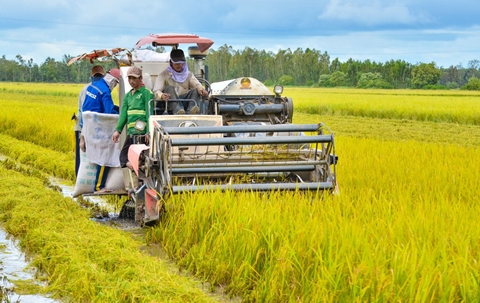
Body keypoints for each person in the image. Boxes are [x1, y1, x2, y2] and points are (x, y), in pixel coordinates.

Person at [80, 67, 121, 193]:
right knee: (105, 155)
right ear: (113, 81)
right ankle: (99, 187)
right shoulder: (105, 92)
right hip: (99, 128)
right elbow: (109, 111)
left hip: (89, 126)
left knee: (99, 154)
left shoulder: (94, 85)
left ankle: (98, 185)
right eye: (115, 83)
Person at [112, 66, 153, 170]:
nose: (131, 81)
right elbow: (123, 115)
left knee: (140, 156)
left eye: (134, 78)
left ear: (140, 78)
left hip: (141, 132)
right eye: (129, 78)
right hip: (131, 132)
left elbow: (149, 113)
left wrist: (148, 131)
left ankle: (140, 179)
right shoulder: (127, 96)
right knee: (123, 157)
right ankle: (136, 168)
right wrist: (118, 131)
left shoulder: (146, 93)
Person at [153, 49, 208, 115]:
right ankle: (178, 111)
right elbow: (156, 91)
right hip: (169, 104)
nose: (179, 65)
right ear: (171, 62)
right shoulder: (164, 75)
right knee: (169, 88)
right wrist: (162, 95)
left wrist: (201, 89)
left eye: (181, 63)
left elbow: (197, 85)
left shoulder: (188, 74)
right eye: (176, 63)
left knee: (196, 90)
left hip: (184, 101)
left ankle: (191, 111)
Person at [73, 65, 106, 176]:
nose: (98, 78)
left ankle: (88, 182)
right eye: (96, 76)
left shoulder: (97, 88)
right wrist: (83, 134)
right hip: (83, 127)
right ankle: (80, 179)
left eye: (99, 76)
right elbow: (84, 112)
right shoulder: (88, 90)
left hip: (93, 128)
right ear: (91, 77)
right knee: (82, 156)